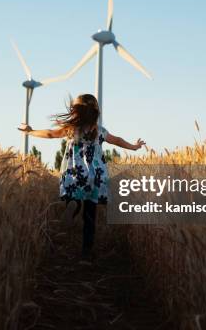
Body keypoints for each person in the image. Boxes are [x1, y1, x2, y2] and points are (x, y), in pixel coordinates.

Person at [18, 93, 146, 259]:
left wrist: (31, 131)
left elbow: (50, 133)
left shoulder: (72, 129)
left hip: (76, 175)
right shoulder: (100, 131)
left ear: (77, 112)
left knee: (75, 196)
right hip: (96, 177)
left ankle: (73, 204)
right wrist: (134, 147)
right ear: (95, 112)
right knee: (90, 215)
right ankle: (87, 250)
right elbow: (118, 140)